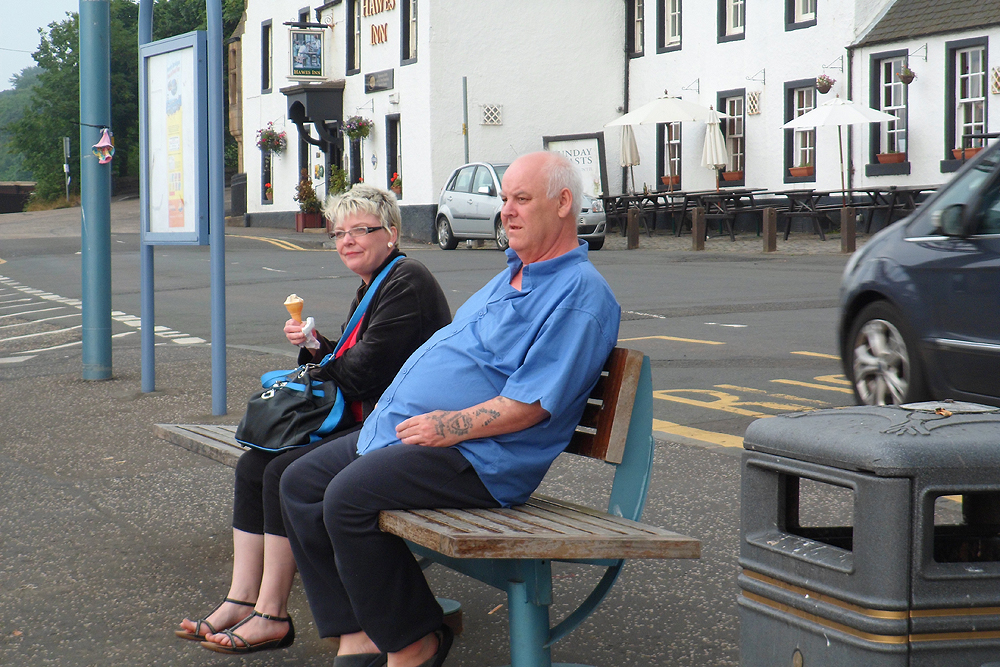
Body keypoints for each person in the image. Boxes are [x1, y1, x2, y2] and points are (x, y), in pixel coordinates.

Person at [279, 151, 621, 667]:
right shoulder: (512, 274)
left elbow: (530, 405)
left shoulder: (578, 295)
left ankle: (416, 642)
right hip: (412, 433)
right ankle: (360, 635)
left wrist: (448, 425)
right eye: (504, 199)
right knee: (299, 483)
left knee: (347, 497)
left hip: (480, 459)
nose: (506, 210)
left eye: (521, 199)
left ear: (564, 202)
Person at [175, 184, 452, 654]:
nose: (346, 240)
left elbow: (364, 375)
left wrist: (318, 363)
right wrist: (316, 345)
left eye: (359, 230)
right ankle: (245, 600)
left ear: (392, 232)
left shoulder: (408, 282)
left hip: (403, 430)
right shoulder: (377, 283)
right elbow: (358, 364)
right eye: (338, 232)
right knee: (254, 467)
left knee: (286, 473)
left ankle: (273, 614)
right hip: (375, 420)